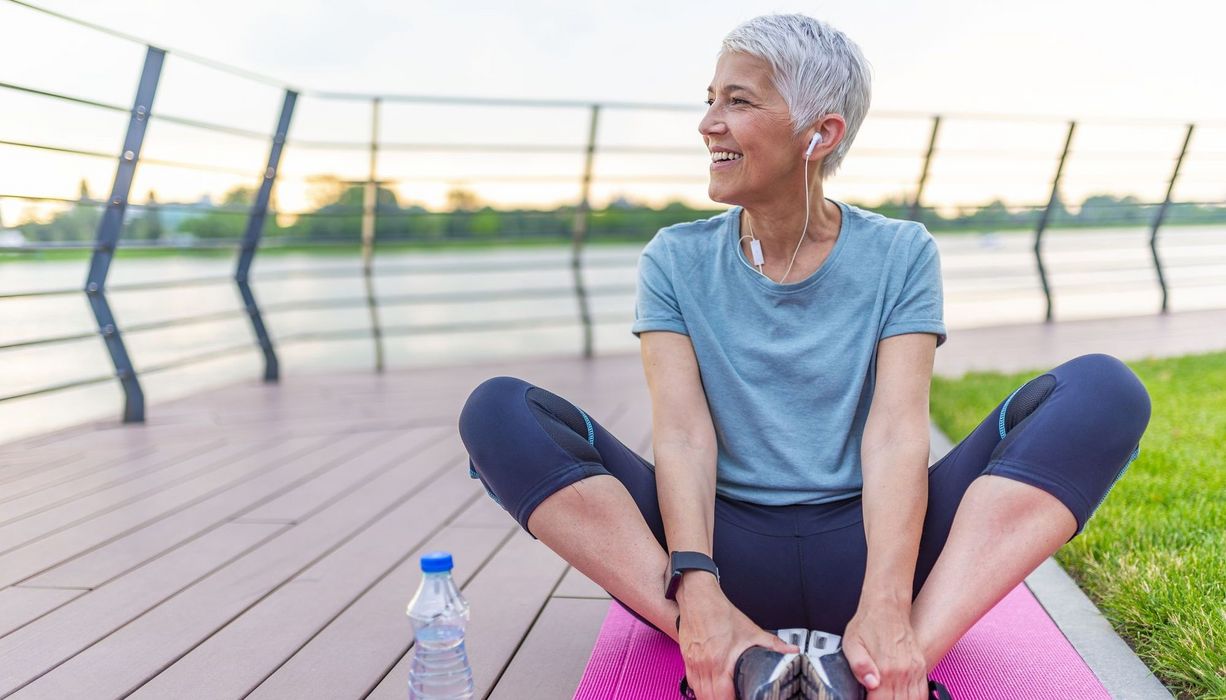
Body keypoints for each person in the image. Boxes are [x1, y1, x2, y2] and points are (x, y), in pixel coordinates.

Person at [458, 13, 1151, 700]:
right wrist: (695, 583)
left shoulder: (900, 253)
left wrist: (885, 596)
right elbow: (682, 435)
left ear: (820, 134)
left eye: (738, 100)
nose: (708, 124)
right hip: (723, 553)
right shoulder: (674, 258)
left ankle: (888, 663)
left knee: (1104, 391)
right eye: (709, 101)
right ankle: (720, 638)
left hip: (875, 545)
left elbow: (895, 434)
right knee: (497, 413)